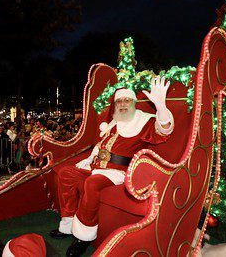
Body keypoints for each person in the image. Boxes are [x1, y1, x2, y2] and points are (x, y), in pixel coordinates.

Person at [49, 76, 174, 256]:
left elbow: (164, 132)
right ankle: (67, 224)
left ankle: (84, 236)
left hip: (117, 172)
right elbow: (101, 145)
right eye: (119, 101)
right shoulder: (114, 121)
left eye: (127, 100)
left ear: (134, 103)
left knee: (92, 184)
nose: (123, 104)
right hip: (97, 165)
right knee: (66, 173)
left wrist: (161, 107)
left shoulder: (143, 120)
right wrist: (91, 157)